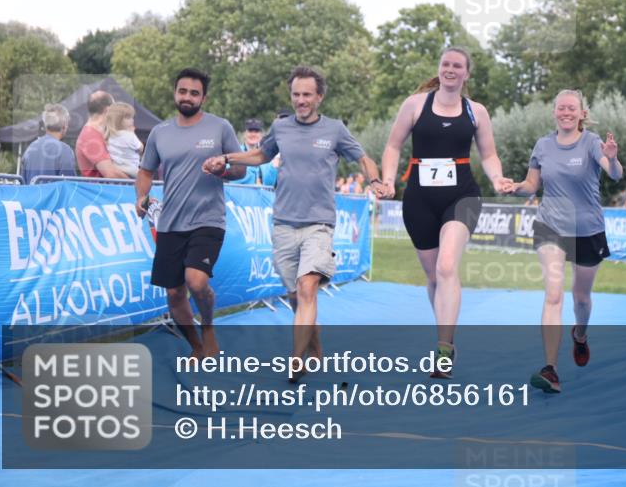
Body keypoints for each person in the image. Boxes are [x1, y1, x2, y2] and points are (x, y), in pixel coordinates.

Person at [206, 66, 384, 380]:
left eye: (307, 95)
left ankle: (296, 360)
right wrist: (228, 158)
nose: (301, 100)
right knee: (296, 297)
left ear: (319, 97)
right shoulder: (281, 127)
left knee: (306, 288)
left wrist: (375, 180)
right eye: (296, 94)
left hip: (319, 224)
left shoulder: (335, 129)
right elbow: (261, 155)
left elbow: (363, 158)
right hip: (284, 224)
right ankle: (314, 345)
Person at [380, 47, 514, 378]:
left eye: (457, 65)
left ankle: (443, 349)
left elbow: (489, 154)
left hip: (462, 196)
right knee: (433, 277)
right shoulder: (415, 104)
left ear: (466, 73)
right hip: (419, 199)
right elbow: (393, 145)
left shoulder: (476, 111)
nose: (450, 69)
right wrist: (388, 180)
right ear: (439, 68)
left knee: (446, 265)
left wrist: (497, 178)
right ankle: (446, 337)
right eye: (445, 64)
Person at [510, 90, 623, 393]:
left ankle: (580, 336)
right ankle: (550, 369)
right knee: (553, 294)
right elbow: (531, 185)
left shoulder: (592, 142)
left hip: (587, 229)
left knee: (581, 299)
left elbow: (614, 173)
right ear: (554, 113)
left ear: (582, 113)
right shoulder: (543, 145)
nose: (566, 112)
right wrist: (515, 187)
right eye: (561, 108)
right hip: (550, 226)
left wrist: (612, 158)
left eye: (572, 108)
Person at [135, 68, 245, 358]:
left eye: (194, 93)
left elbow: (241, 169)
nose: (187, 97)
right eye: (182, 91)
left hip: (208, 219)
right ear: (175, 93)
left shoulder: (220, 128)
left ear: (203, 98)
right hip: (170, 222)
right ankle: (196, 347)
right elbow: (145, 171)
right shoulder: (160, 132)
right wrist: (141, 197)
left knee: (196, 281)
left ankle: (208, 329)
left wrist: (223, 169)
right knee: (174, 294)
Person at [76, 91, 128, 179]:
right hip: (100, 187)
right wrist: (136, 183)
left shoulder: (97, 133)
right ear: (107, 110)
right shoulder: (89, 136)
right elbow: (110, 174)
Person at [21, 104, 77, 183]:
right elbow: (69, 185)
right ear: (64, 126)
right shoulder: (65, 151)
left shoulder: (30, 149)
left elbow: (23, 183)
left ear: (45, 126)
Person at [104, 102, 143, 178]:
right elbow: (140, 148)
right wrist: (133, 133)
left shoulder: (109, 136)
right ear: (118, 120)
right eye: (128, 118)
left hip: (117, 169)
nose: (132, 120)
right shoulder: (130, 135)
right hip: (132, 170)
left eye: (132, 117)